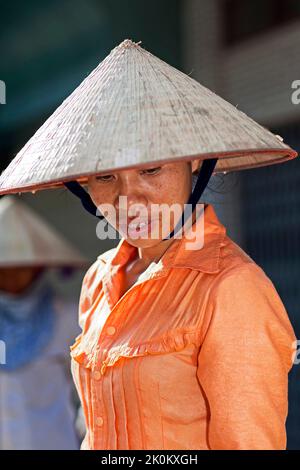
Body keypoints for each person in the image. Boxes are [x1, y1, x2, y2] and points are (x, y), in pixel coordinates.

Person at [0, 39, 298, 450]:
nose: (128, 198)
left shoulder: (231, 288)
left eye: (151, 169)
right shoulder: (99, 281)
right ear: (83, 186)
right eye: (105, 178)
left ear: (195, 161)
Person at [0, 196, 87, 450]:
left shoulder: (71, 317)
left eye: (21, 265)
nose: (11, 275)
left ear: (39, 266)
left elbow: (92, 387)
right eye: (3, 267)